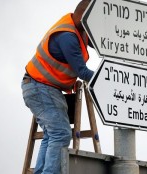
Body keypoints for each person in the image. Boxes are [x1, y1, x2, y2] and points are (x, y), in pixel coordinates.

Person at [21, 1, 93, 173]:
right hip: (40, 88)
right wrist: (107, 78)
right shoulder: (68, 37)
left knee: (52, 135)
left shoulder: (75, 27)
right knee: (60, 134)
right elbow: (82, 71)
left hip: (40, 87)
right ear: (84, 17)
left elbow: (94, 43)